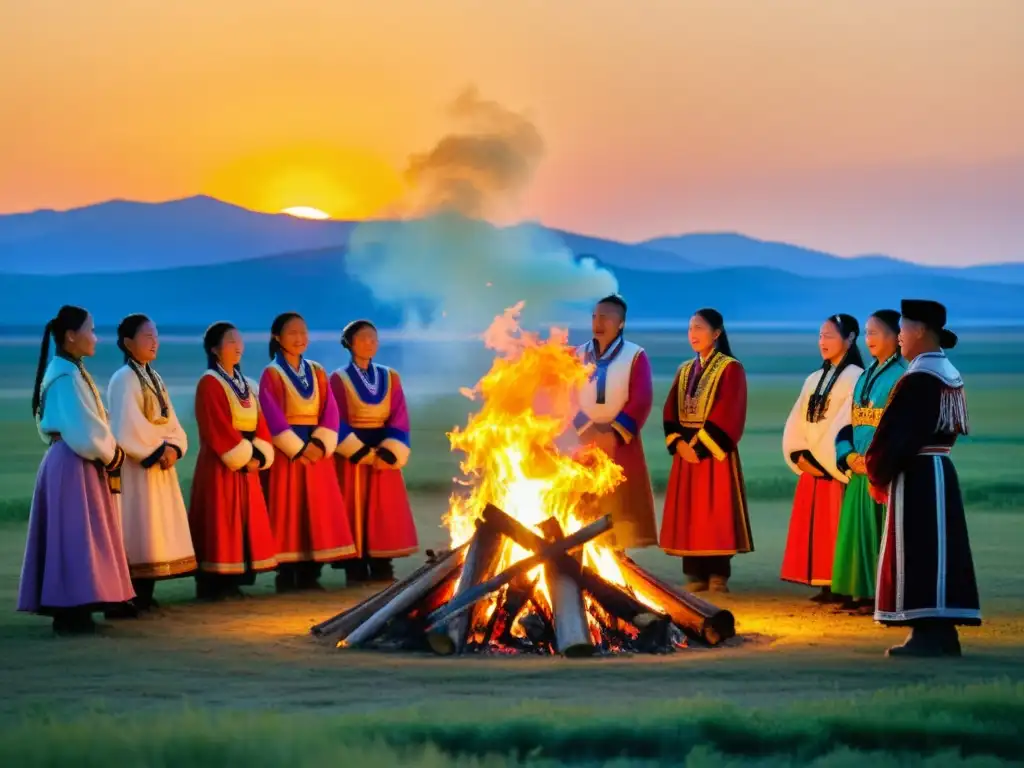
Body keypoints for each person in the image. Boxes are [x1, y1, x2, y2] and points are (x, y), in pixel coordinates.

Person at [865, 299, 980, 657]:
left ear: (919, 330)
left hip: (916, 474)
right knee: (940, 549)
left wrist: (876, 469)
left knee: (919, 549)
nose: (899, 337)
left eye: (902, 329)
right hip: (939, 470)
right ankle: (940, 631)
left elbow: (897, 434)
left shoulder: (919, 377)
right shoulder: (946, 371)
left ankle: (926, 631)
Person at [17, 305, 135, 635]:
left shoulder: (69, 370)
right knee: (74, 535)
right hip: (74, 462)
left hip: (74, 461)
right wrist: (112, 453)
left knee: (77, 535)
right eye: (91, 330)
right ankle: (71, 610)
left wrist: (107, 449)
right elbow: (84, 429)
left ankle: (78, 605)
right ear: (71, 336)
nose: (95, 337)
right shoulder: (67, 376)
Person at [259, 312, 356, 591]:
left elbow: (330, 410)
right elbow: (271, 413)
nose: (300, 338)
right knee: (289, 511)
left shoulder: (317, 370)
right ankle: (287, 575)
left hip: (317, 452)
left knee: (318, 510)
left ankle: (312, 573)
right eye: (292, 333)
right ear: (277, 338)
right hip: (289, 454)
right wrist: (298, 448)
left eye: (303, 332)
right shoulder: (272, 373)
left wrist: (321, 443)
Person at [107, 314, 197, 612]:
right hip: (137, 467)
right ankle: (130, 592)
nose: (154, 342)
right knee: (137, 525)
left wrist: (174, 446)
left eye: (156, 335)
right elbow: (125, 425)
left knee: (153, 527)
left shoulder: (154, 377)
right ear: (128, 343)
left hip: (159, 463)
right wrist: (159, 450)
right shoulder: (123, 379)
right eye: (147, 337)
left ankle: (146, 591)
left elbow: (170, 420)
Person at [659, 308, 753, 593]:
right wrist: (677, 442)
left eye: (699, 328)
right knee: (690, 512)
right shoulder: (684, 369)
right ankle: (694, 574)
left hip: (714, 453)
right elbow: (670, 408)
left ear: (716, 333)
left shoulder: (730, 368)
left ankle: (718, 573)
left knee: (716, 511)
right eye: (690, 329)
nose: (693, 335)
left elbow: (730, 410)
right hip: (686, 452)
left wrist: (697, 447)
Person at [188, 321, 279, 600]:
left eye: (239, 341)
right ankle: (214, 584)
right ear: (214, 349)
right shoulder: (210, 382)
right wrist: (246, 455)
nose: (237, 347)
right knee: (220, 521)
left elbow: (261, 424)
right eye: (230, 342)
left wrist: (260, 455)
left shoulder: (247, 384)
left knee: (243, 522)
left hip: (246, 463)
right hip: (220, 466)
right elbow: (217, 428)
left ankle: (236, 579)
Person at [781, 313, 864, 602]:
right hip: (812, 466)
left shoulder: (857, 378)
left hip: (834, 468)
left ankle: (843, 583)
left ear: (850, 338)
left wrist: (825, 457)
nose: (823, 342)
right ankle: (825, 584)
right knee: (817, 528)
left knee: (838, 527)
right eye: (820, 336)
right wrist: (799, 454)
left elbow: (847, 422)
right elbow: (797, 421)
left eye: (829, 335)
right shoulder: (813, 379)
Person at [329, 319, 419, 584]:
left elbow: (399, 415)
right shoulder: (339, 379)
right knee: (353, 509)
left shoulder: (390, 377)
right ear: (350, 343)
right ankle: (354, 568)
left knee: (383, 510)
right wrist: (360, 452)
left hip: (384, 451)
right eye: (363, 338)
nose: (370, 343)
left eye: (373, 338)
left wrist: (390, 450)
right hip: (353, 455)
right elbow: (336, 419)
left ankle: (382, 565)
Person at [830, 310, 907, 614]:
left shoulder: (904, 374)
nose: (869, 339)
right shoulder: (864, 376)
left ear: (895, 336)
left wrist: (875, 460)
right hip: (859, 468)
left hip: (881, 470)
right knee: (855, 534)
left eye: (876, 332)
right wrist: (848, 455)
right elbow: (849, 422)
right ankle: (858, 593)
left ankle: (881, 595)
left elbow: (899, 427)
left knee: (881, 534)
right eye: (867, 333)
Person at [571, 294, 657, 550]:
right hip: (584, 438)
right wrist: (588, 429)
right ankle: (582, 547)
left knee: (621, 497)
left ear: (620, 323)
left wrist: (614, 432)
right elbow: (567, 394)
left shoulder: (634, 355)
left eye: (606, 317)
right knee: (583, 495)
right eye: (595, 316)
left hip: (621, 439)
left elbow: (641, 397)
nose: (599, 322)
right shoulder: (578, 354)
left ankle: (617, 552)